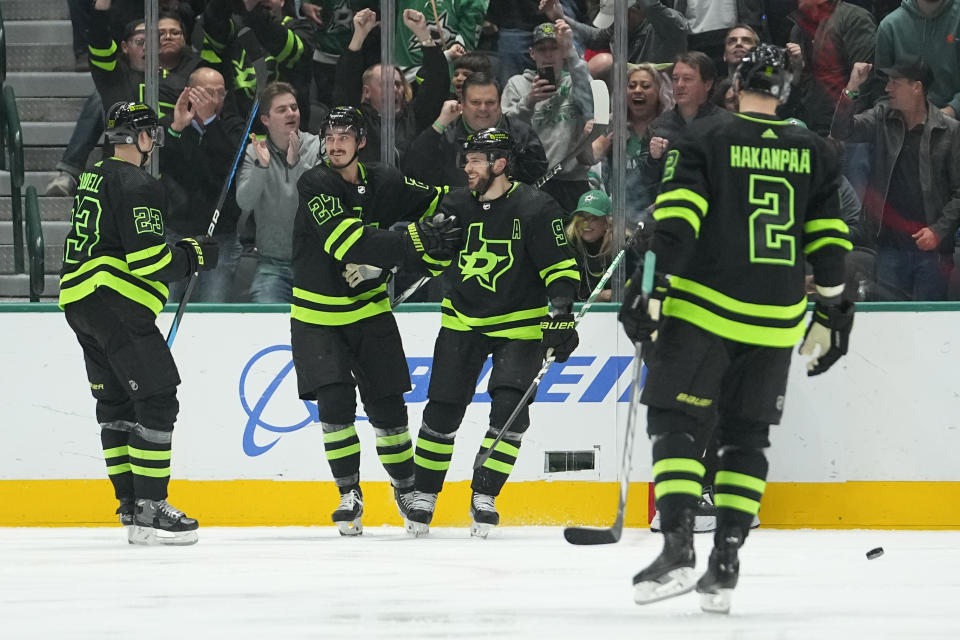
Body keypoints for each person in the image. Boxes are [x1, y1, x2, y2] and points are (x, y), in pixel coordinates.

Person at [619, 45, 854, 613]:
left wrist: (650, 288)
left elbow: (675, 224)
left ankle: (678, 546)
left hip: (705, 310)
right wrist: (833, 314)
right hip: (775, 321)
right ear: (788, 89)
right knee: (746, 437)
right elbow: (830, 241)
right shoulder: (815, 150)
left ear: (733, 82)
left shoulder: (704, 138)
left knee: (675, 418)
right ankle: (725, 559)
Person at [404, 128, 581, 539]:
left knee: (510, 413)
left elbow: (560, 269)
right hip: (462, 321)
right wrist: (421, 251)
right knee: (441, 412)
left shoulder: (537, 208)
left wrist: (560, 314)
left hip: (519, 324)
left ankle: (484, 495)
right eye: (466, 160)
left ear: (500, 164)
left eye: (475, 161)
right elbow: (436, 259)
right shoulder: (454, 203)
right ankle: (424, 495)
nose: (466, 168)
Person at [290, 107, 459, 536]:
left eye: (345, 135)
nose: (335, 143)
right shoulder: (316, 183)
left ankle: (406, 490)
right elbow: (344, 240)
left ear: (361, 141)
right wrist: (415, 243)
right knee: (335, 407)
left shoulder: (383, 179)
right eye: (329, 136)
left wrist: (497, 198)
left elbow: (440, 199)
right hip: (317, 318)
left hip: (369, 312)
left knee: (388, 409)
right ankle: (348, 494)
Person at [59, 102, 220, 545]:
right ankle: (151, 506)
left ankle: (129, 505)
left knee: (115, 408)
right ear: (144, 137)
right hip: (115, 303)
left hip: (80, 302)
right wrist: (194, 256)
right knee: (157, 398)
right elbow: (149, 260)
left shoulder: (93, 173)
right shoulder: (136, 182)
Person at [831, 58, 960, 301]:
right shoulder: (882, 117)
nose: (887, 88)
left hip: (932, 250)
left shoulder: (950, 131)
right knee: (887, 324)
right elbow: (841, 130)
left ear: (916, 87)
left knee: (929, 325)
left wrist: (938, 230)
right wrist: (852, 87)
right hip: (889, 245)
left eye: (895, 82)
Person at [46, 1, 202, 197]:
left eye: (153, 41)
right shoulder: (113, 79)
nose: (147, 47)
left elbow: (177, 138)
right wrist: (101, 10)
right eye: (140, 42)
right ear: (125, 47)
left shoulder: (177, 83)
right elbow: (99, 42)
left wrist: (172, 130)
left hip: (168, 176)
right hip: (120, 180)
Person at [161, 67, 246, 303]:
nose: (215, 99)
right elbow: (160, 166)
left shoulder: (234, 127)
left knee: (213, 307)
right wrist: (176, 129)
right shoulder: (170, 125)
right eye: (208, 93)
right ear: (189, 93)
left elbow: (226, 168)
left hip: (221, 237)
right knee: (168, 307)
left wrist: (210, 122)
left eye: (220, 93)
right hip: (176, 233)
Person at [236, 82, 322, 303]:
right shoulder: (254, 150)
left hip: (315, 263)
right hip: (272, 264)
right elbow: (245, 202)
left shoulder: (317, 147)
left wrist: (297, 165)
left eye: (294, 108)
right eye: (282, 110)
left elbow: (321, 198)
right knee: (266, 322)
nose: (291, 114)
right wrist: (261, 167)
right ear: (266, 119)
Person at [333, 8, 450, 163]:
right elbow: (345, 84)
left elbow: (437, 81)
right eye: (385, 85)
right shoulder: (357, 121)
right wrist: (358, 36)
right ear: (366, 92)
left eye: (397, 84)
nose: (394, 89)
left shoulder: (415, 116)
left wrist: (423, 34)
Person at [500, 21, 594, 212]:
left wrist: (572, 54)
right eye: (542, 49)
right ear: (532, 53)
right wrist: (529, 101)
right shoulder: (517, 84)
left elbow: (589, 102)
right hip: (533, 180)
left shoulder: (576, 80)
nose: (549, 54)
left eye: (555, 48)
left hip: (572, 179)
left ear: (562, 52)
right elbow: (505, 130)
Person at [403, 72, 548, 187]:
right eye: (475, 102)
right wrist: (440, 122)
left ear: (500, 103)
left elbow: (538, 177)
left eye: (490, 102)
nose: (483, 109)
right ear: (462, 103)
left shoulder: (521, 134)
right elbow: (413, 169)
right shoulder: (445, 134)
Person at [591, 63, 673, 226]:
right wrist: (596, 140)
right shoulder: (611, 123)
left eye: (645, 86)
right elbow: (590, 157)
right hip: (617, 216)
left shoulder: (669, 126)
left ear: (659, 92)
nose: (637, 91)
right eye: (632, 86)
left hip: (657, 214)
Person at [539, 0, 690, 80]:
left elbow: (651, 6)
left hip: (664, 105)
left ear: (634, 10)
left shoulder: (670, 25)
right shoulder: (620, 27)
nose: (613, 24)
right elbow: (594, 37)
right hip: (627, 105)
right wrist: (560, 17)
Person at [875, 0, 960, 119]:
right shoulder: (890, 26)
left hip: (955, 121)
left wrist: (951, 111)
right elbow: (880, 90)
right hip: (905, 124)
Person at [564, 189, 622, 301]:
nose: (585, 223)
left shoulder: (622, 249)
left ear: (607, 223)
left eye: (593, 218)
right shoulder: (568, 249)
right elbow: (563, 296)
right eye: (582, 218)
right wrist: (597, 298)